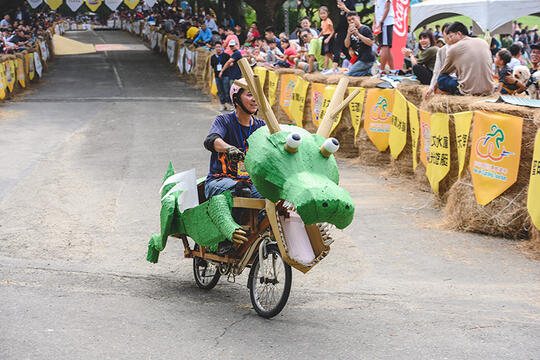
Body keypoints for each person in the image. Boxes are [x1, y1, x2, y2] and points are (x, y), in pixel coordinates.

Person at [203, 80, 265, 254]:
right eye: (249, 94)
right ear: (236, 99)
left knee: (273, 195)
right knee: (242, 189)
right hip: (219, 181)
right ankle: (227, 239)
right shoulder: (224, 120)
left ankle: (257, 236)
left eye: (256, 95)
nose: (254, 99)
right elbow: (212, 140)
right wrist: (228, 148)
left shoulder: (260, 126)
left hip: (249, 182)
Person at [437, 22, 494, 96]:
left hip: (468, 91)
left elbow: (444, 71)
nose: (450, 40)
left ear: (459, 34)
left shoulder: (454, 48)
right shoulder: (483, 42)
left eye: (451, 36)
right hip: (489, 89)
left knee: (441, 78)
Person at [344, 12, 375, 77]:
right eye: (349, 20)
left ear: (358, 18)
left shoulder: (365, 29)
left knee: (349, 74)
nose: (351, 21)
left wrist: (358, 34)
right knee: (348, 73)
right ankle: (369, 71)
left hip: (367, 59)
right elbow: (346, 45)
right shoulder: (351, 31)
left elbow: (371, 43)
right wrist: (348, 34)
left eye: (353, 19)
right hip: (358, 59)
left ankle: (369, 72)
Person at [373, 0, 395, 71]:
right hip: (380, 23)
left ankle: (381, 70)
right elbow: (376, 9)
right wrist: (375, 23)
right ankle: (392, 70)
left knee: (384, 46)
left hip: (386, 22)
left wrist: (381, 22)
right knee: (386, 47)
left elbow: (387, 8)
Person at [211, 42, 232, 111]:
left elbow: (230, 64)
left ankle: (230, 104)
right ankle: (222, 104)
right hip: (217, 76)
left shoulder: (226, 56)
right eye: (216, 47)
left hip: (225, 75)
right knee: (220, 91)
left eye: (219, 47)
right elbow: (212, 66)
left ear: (222, 48)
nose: (218, 48)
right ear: (215, 48)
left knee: (227, 90)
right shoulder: (213, 57)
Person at [318, 6, 334, 70]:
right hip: (324, 37)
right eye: (321, 14)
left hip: (329, 37)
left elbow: (332, 31)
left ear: (327, 13)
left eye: (324, 13)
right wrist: (318, 37)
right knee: (329, 54)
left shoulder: (328, 21)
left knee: (326, 54)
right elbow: (323, 30)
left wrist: (328, 38)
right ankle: (335, 65)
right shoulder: (322, 22)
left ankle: (326, 68)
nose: (322, 15)